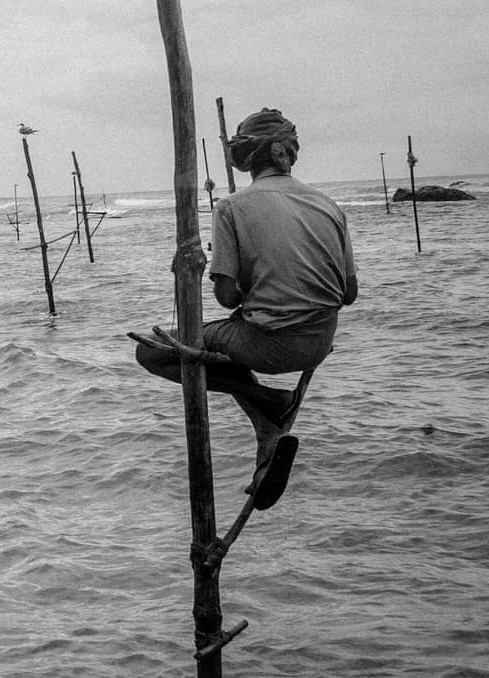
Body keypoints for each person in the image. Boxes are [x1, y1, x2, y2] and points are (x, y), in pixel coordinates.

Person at [134, 107, 359, 508]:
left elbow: (227, 298)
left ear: (247, 160)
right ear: (287, 152)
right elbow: (348, 293)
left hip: (269, 345)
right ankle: (267, 435)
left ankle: (273, 401)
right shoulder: (329, 205)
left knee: (152, 351)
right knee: (221, 346)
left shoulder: (231, 207)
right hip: (320, 342)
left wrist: (234, 272)